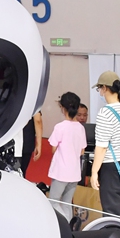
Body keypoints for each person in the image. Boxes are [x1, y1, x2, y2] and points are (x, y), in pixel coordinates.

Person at [90, 71, 120, 218]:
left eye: (99, 89)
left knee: (111, 216)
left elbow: (102, 147)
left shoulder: (105, 113)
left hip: (112, 167)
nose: (100, 92)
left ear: (104, 88)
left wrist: (94, 172)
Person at [42, 92, 86, 221]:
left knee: (53, 201)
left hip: (61, 172)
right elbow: (82, 151)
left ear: (63, 108)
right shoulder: (81, 128)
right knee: (67, 203)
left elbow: (53, 148)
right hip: (75, 172)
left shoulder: (60, 127)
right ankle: (70, 228)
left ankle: (65, 225)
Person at [19, 110, 43, 176]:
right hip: (27, 140)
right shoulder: (32, 101)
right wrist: (39, 144)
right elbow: (38, 121)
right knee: (22, 170)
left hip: (12, 139)